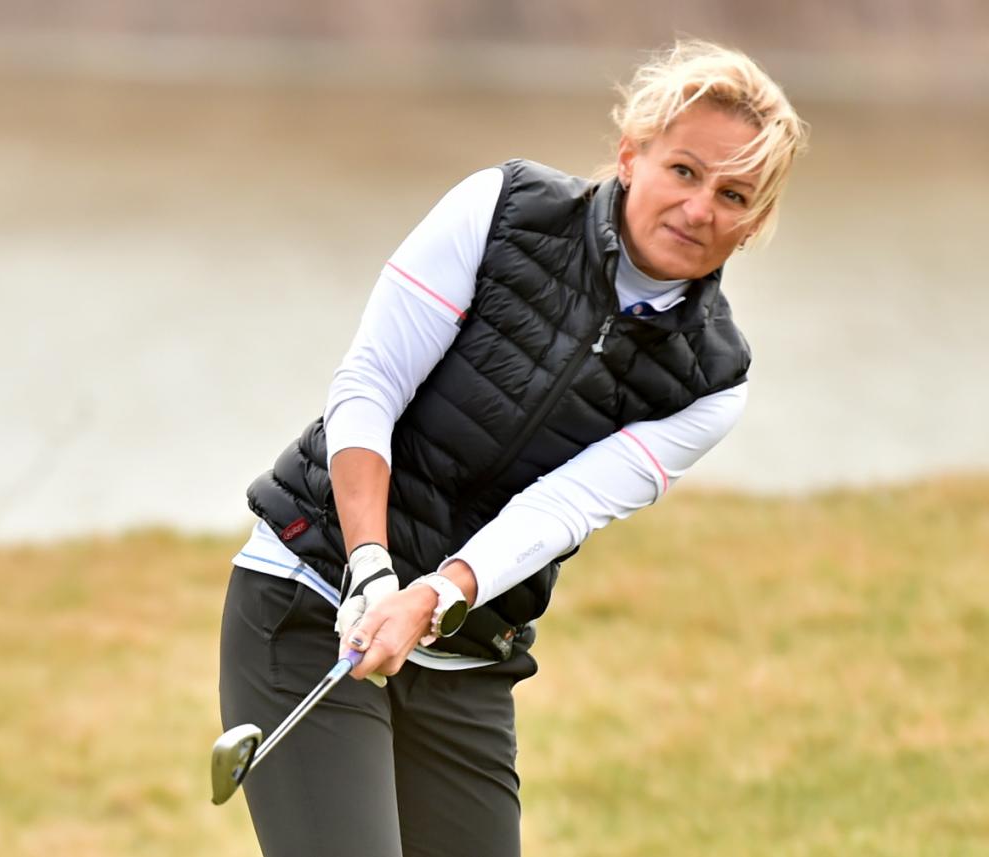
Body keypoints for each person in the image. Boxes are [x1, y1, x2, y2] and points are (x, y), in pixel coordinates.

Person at [218, 39, 807, 857]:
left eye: (733, 194)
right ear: (631, 157)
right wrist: (371, 566)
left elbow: (558, 510)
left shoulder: (711, 380)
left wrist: (432, 597)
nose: (700, 207)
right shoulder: (502, 208)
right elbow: (371, 385)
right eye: (684, 170)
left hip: (465, 650)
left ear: (753, 225)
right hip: (314, 593)